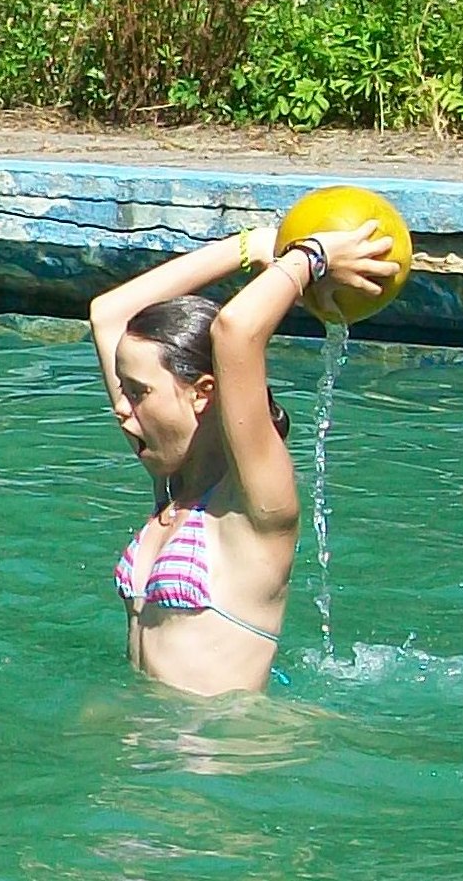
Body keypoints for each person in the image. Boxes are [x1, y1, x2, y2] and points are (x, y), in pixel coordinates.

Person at [89, 222, 399, 697]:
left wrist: (311, 257)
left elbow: (236, 332)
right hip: (146, 735)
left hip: (223, 742)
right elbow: (109, 314)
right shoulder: (171, 479)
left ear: (202, 393)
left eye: (138, 392)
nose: (120, 408)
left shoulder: (253, 501)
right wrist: (249, 246)